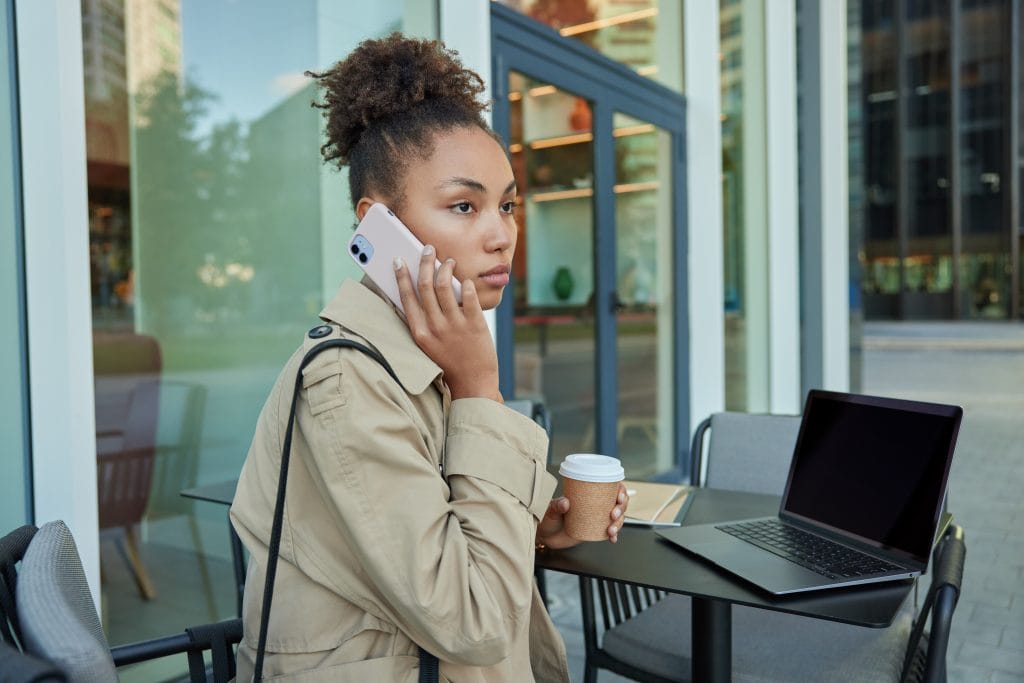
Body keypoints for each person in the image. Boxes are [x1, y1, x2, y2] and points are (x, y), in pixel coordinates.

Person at [229, 34, 628, 682]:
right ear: (377, 226)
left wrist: (533, 530)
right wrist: (479, 388)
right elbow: (472, 621)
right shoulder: (348, 380)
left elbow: (422, 550)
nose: (501, 234)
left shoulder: (422, 357)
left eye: (506, 205)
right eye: (464, 205)